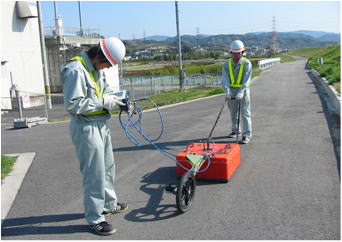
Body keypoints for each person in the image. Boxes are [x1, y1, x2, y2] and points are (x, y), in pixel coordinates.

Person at [62, 37, 128, 235]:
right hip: (86, 127)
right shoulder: (75, 70)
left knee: (108, 167)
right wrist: (102, 102)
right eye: (107, 63)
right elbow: (73, 104)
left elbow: (105, 91)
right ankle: (95, 218)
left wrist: (118, 101)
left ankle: (108, 204)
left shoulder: (95, 69)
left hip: (100, 124)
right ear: (99, 56)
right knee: (94, 174)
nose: (106, 68)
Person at [221, 40, 252, 144]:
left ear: (242, 53)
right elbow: (224, 79)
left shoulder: (246, 63)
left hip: (243, 91)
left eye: (238, 53)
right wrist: (227, 91)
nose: (236, 55)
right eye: (234, 53)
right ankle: (235, 131)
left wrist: (241, 92)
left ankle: (246, 135)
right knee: (233, 113)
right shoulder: (226, 64)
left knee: (245, 113)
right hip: (231, 90)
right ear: (231, 53)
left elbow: (247, 80)